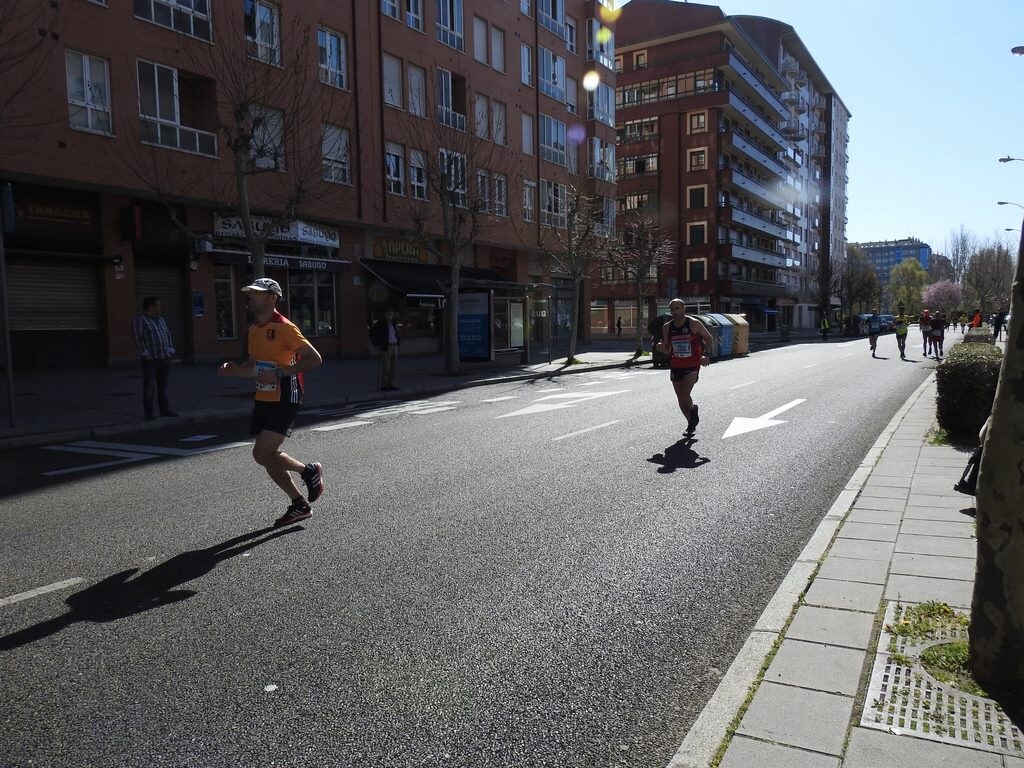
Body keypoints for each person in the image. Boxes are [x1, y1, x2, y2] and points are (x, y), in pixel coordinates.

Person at [218, 278, 325, 527]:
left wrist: (280, 372)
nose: (250, 297)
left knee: (261, 453)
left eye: (256, 293)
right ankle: (299, 504)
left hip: (287, 393)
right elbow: (252, 367)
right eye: (250, 293)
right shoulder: (254, 330)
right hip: (263, 395)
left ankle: (308, 471)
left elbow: (314, 359)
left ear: (272, 297)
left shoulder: (286, 328)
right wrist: (234, 370)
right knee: (268, 456)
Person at [659, 298, 713, 434]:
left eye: (677, 308)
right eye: (672, 309)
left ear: (684, 309)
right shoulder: (667, 327)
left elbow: (709, 338)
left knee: (684, 394)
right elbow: (667, 349)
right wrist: (661, 348)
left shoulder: (694, 324)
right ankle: (691, 423)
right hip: (676, 364)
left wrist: (705, 355)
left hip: (692, 364)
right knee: (680, 398)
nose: (674, 312)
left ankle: (693, 408)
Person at [132, 296, 177, 420]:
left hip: (164, 357)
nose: (160, 307)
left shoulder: (160, 319)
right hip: (151, 360)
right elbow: (138, 338)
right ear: (151, 306)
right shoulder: (140, 320)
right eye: (158, 305)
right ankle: (149, 412)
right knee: (149, 387)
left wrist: (170, 350)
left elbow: (167, 335)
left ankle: (164, 410)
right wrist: (145, 353)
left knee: (163, 386)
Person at [370, 309, 401, 391]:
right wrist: (376, 346)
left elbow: (396, 335)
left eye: (391, 314)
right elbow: (373, 335)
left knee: (393, 367)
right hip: (386, 347)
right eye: (388, 314)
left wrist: (398, 345)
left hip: (394, 346)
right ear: (385, 315)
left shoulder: (394, 324)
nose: (390, 315)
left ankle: (390, 383)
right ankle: (384, 385)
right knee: (386, 367)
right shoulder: (380, 324)